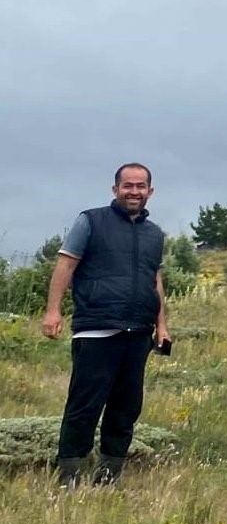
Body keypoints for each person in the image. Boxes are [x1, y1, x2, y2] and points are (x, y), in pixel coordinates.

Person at [41, 163, 170, 487]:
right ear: (115, 189)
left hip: (138, 333)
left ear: (150, 192)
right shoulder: (90, 221)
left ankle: (108, 479)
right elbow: (65, 264)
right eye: (128, 185)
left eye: (141, 186)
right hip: (97, 329)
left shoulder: (155, 234)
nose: (134, 191)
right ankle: (68, 478)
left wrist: (162, 326)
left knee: (125, 409)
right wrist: (53, 311)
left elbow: (155, 280)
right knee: (84, 407)